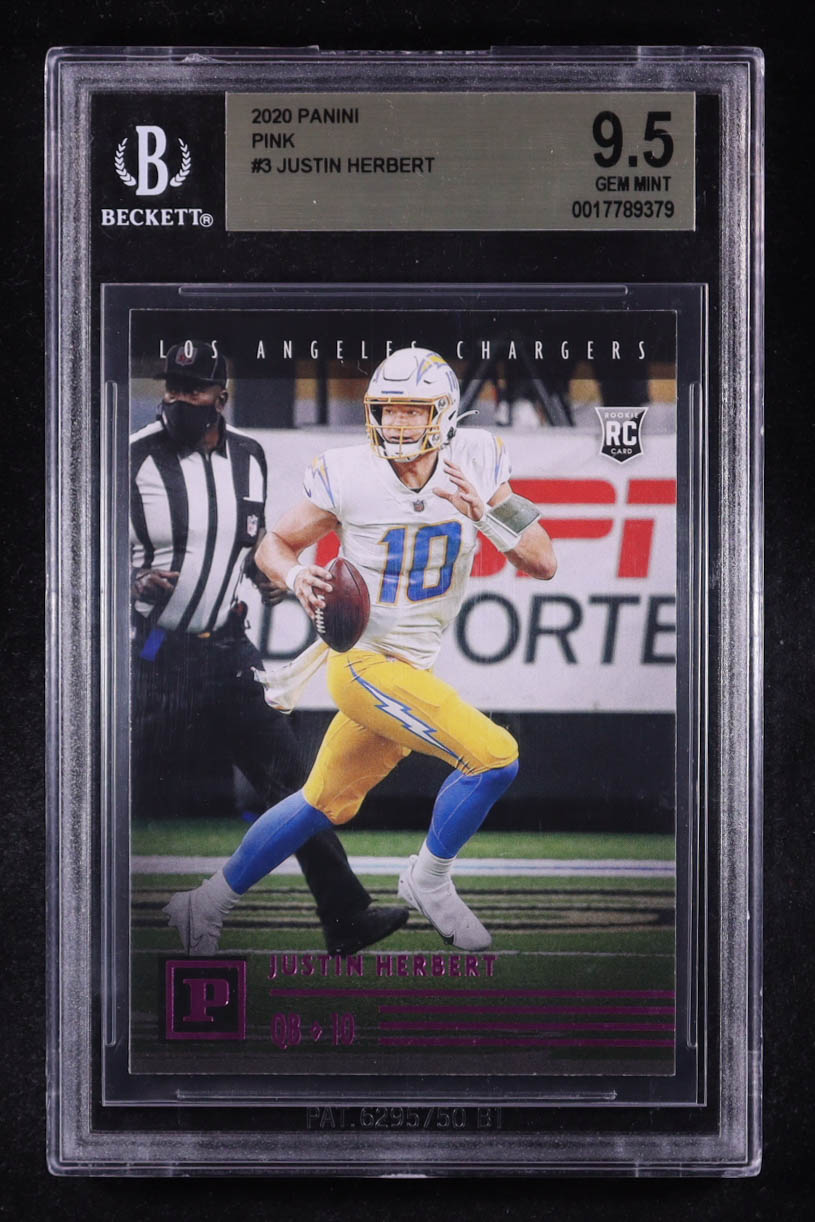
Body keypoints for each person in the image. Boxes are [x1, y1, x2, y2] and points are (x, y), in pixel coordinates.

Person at [164, 346, 557, 954]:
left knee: (320, 802)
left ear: (445, 413)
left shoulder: (479, 459)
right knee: (495, 757)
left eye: (412, 410)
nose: (397, 423)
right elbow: (274, 544)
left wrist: (485, 515)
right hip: (362, 662)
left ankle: (204, 903)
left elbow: (543, 560)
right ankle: (430, 880)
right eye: (388, 409)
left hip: (413, 666)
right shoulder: (348, 472)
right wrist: (297, 576)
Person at [131, 339, 408, 955]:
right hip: (151, 652)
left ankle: (346, 915)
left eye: (194, 389)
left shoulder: (249, 457)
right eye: (173, 388)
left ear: (221, 396)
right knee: (101, 781)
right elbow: (86, 557)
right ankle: (60, 903)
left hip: (227, 647)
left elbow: (252, 546)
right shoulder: (134, 457)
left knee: (294, 784)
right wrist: (132, 582)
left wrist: (270, 580)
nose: (179, 399)